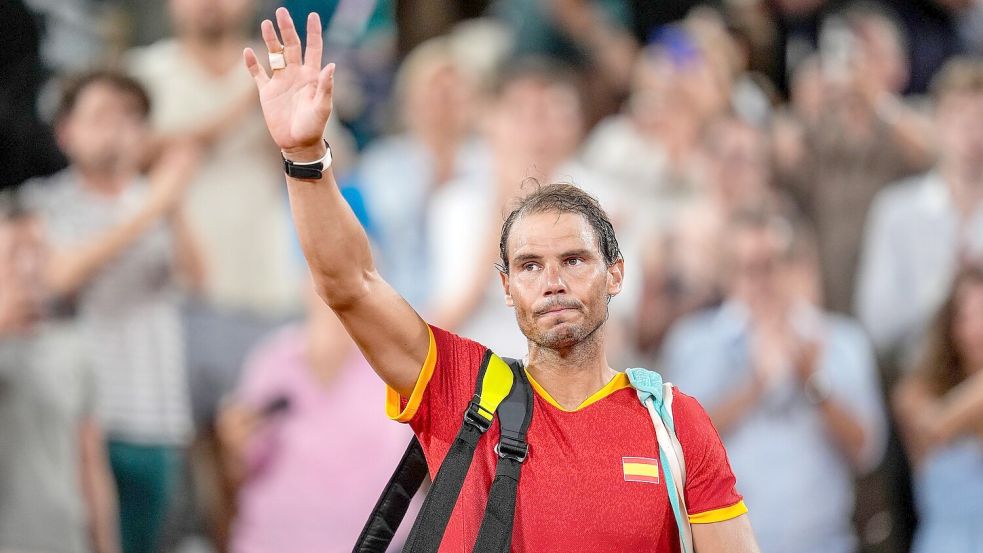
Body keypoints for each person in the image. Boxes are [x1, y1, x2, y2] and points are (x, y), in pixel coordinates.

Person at [241, 9, 759, 551]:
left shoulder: (674, 424)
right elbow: (351, 285)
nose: (553, 280)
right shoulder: (460, 390)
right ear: (506, 287)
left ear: (616, 275)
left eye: (575, 260)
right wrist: (304, 157)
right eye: (530, 266)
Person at [20, 71, 202, 553]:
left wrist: (170, 201)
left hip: (157, 415)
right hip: (79, 417)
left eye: (130, 118)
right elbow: (58, 277)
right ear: (66, 132)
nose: (116, 130)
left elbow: (200, 279)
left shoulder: (157, 200)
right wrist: (156, 202)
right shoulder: (42, 203)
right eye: (100, 116)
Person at [661, 211, 887, 553]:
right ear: (728, 274)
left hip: (824, 543)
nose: (764, 281)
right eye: (750, 268)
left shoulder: (841, 340)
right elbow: (674, 450)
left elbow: (867, 450)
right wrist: (754, 387)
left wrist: (813, 382)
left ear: (799, 266)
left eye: (773, 265)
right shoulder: (693, 341)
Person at [217, 286, 413, 553]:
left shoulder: (394, 367)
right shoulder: (274, 359)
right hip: (273, 541)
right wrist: (232, 445)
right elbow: (239, 471)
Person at [0, 208, 120, 553]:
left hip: (63, 538)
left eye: (37, 250)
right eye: (13, 253)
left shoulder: (73, 347)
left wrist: (106, 544)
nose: (28, 266)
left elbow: (91, 463)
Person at [855, 57, 983, 367]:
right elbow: (876, 326)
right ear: (937, 123)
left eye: (980, 118)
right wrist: (946, 291)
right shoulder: (896, 210)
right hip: (916, 377)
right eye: (959, 118)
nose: (971, 133)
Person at [893, 264, 983, 553]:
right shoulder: (915, 393)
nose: (978, 328)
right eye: (968, 315)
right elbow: (934, 427)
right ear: (951, 325)